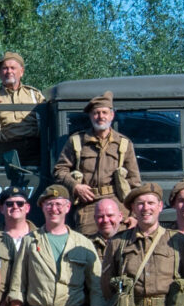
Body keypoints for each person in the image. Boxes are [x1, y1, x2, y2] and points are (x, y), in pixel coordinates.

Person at [52, 92, 139, 234]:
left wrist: (134, 216)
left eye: (104, 112)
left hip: (117, 204)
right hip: (88, 206)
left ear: (112, 115)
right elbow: (59, 170)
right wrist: (75, 187)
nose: (101, 117)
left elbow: (134, 183)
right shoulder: (76, 141)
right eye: (96, 113)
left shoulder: (123, 143)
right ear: (91, 116)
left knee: (119, 247)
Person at [0, 51, 48, 190]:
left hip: (36, 151)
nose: (9, 71)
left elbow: (50, 118)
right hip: (8, 151)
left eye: (13, 68)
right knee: (9, 193)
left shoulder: (35, 95)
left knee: (38, 189)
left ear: (21, 71)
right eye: (5, 68)